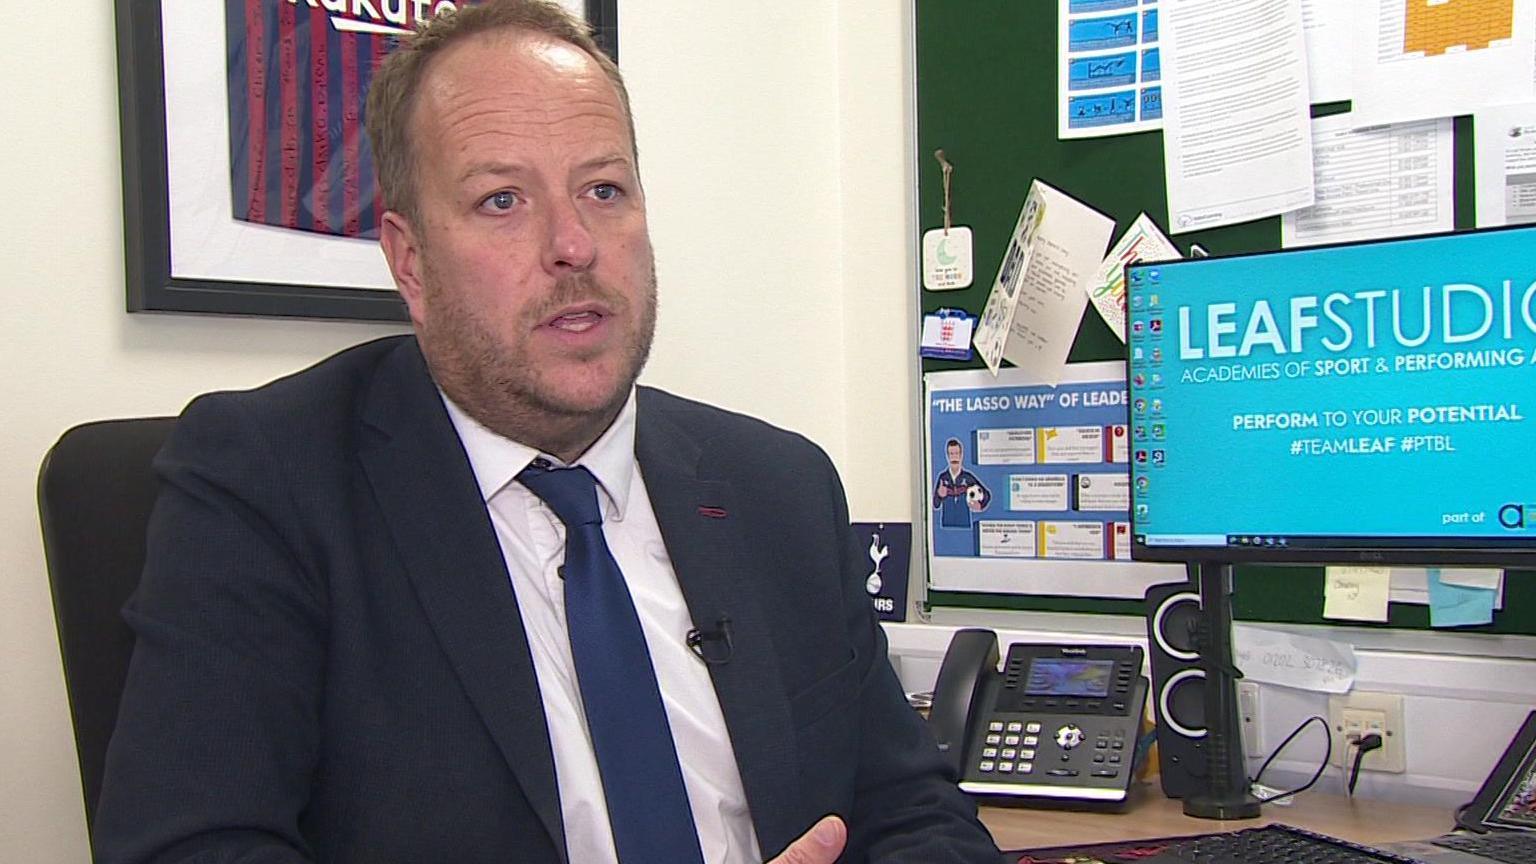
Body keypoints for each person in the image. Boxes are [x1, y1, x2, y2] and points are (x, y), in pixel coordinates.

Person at [91, 2, 1001, 862]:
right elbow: (191, 845)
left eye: (604, 189)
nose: (574, 244)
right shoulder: (266, 482)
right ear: (411, 261)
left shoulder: (778, 485)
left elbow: (913, 812)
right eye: (502, 200)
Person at [933, 438, 991, 529]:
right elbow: (935, 505)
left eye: (957, 453)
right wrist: (939, 495)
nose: (954, 457)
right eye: (951, 454)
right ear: (947, 456)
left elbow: (987, 494)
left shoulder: (968, 478)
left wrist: (980, 506)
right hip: (947, 526)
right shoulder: (943, 478)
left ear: (961, 455)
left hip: (964, 524)